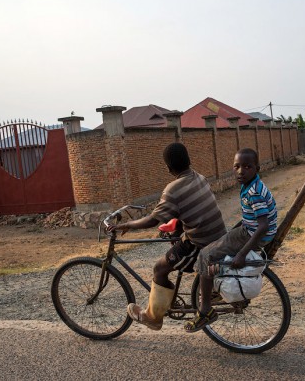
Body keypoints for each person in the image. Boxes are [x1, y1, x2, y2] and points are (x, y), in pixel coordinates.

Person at [107, 142, 227, 331]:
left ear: (168, 168)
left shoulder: (173, 189)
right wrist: (177, 231)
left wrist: (125, 224)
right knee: (174, 247)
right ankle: (208, 291)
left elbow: (153, 220)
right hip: (219, 237)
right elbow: (187, 212)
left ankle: (152, 318)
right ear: (188, 160)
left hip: (200, 245)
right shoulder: (200, 177)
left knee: (159, 268)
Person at [185, 148, 277, 332]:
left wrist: (242, 253)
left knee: (205, 255)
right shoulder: (252, 185)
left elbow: (263, 225)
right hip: (248, 229)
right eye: (237, 166)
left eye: (247, 167)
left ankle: (205, 310)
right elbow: (252, 217)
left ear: (256, 168)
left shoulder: (254, 192)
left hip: (253, 234)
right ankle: (213, 287)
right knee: (219, 244)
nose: (241, 171)